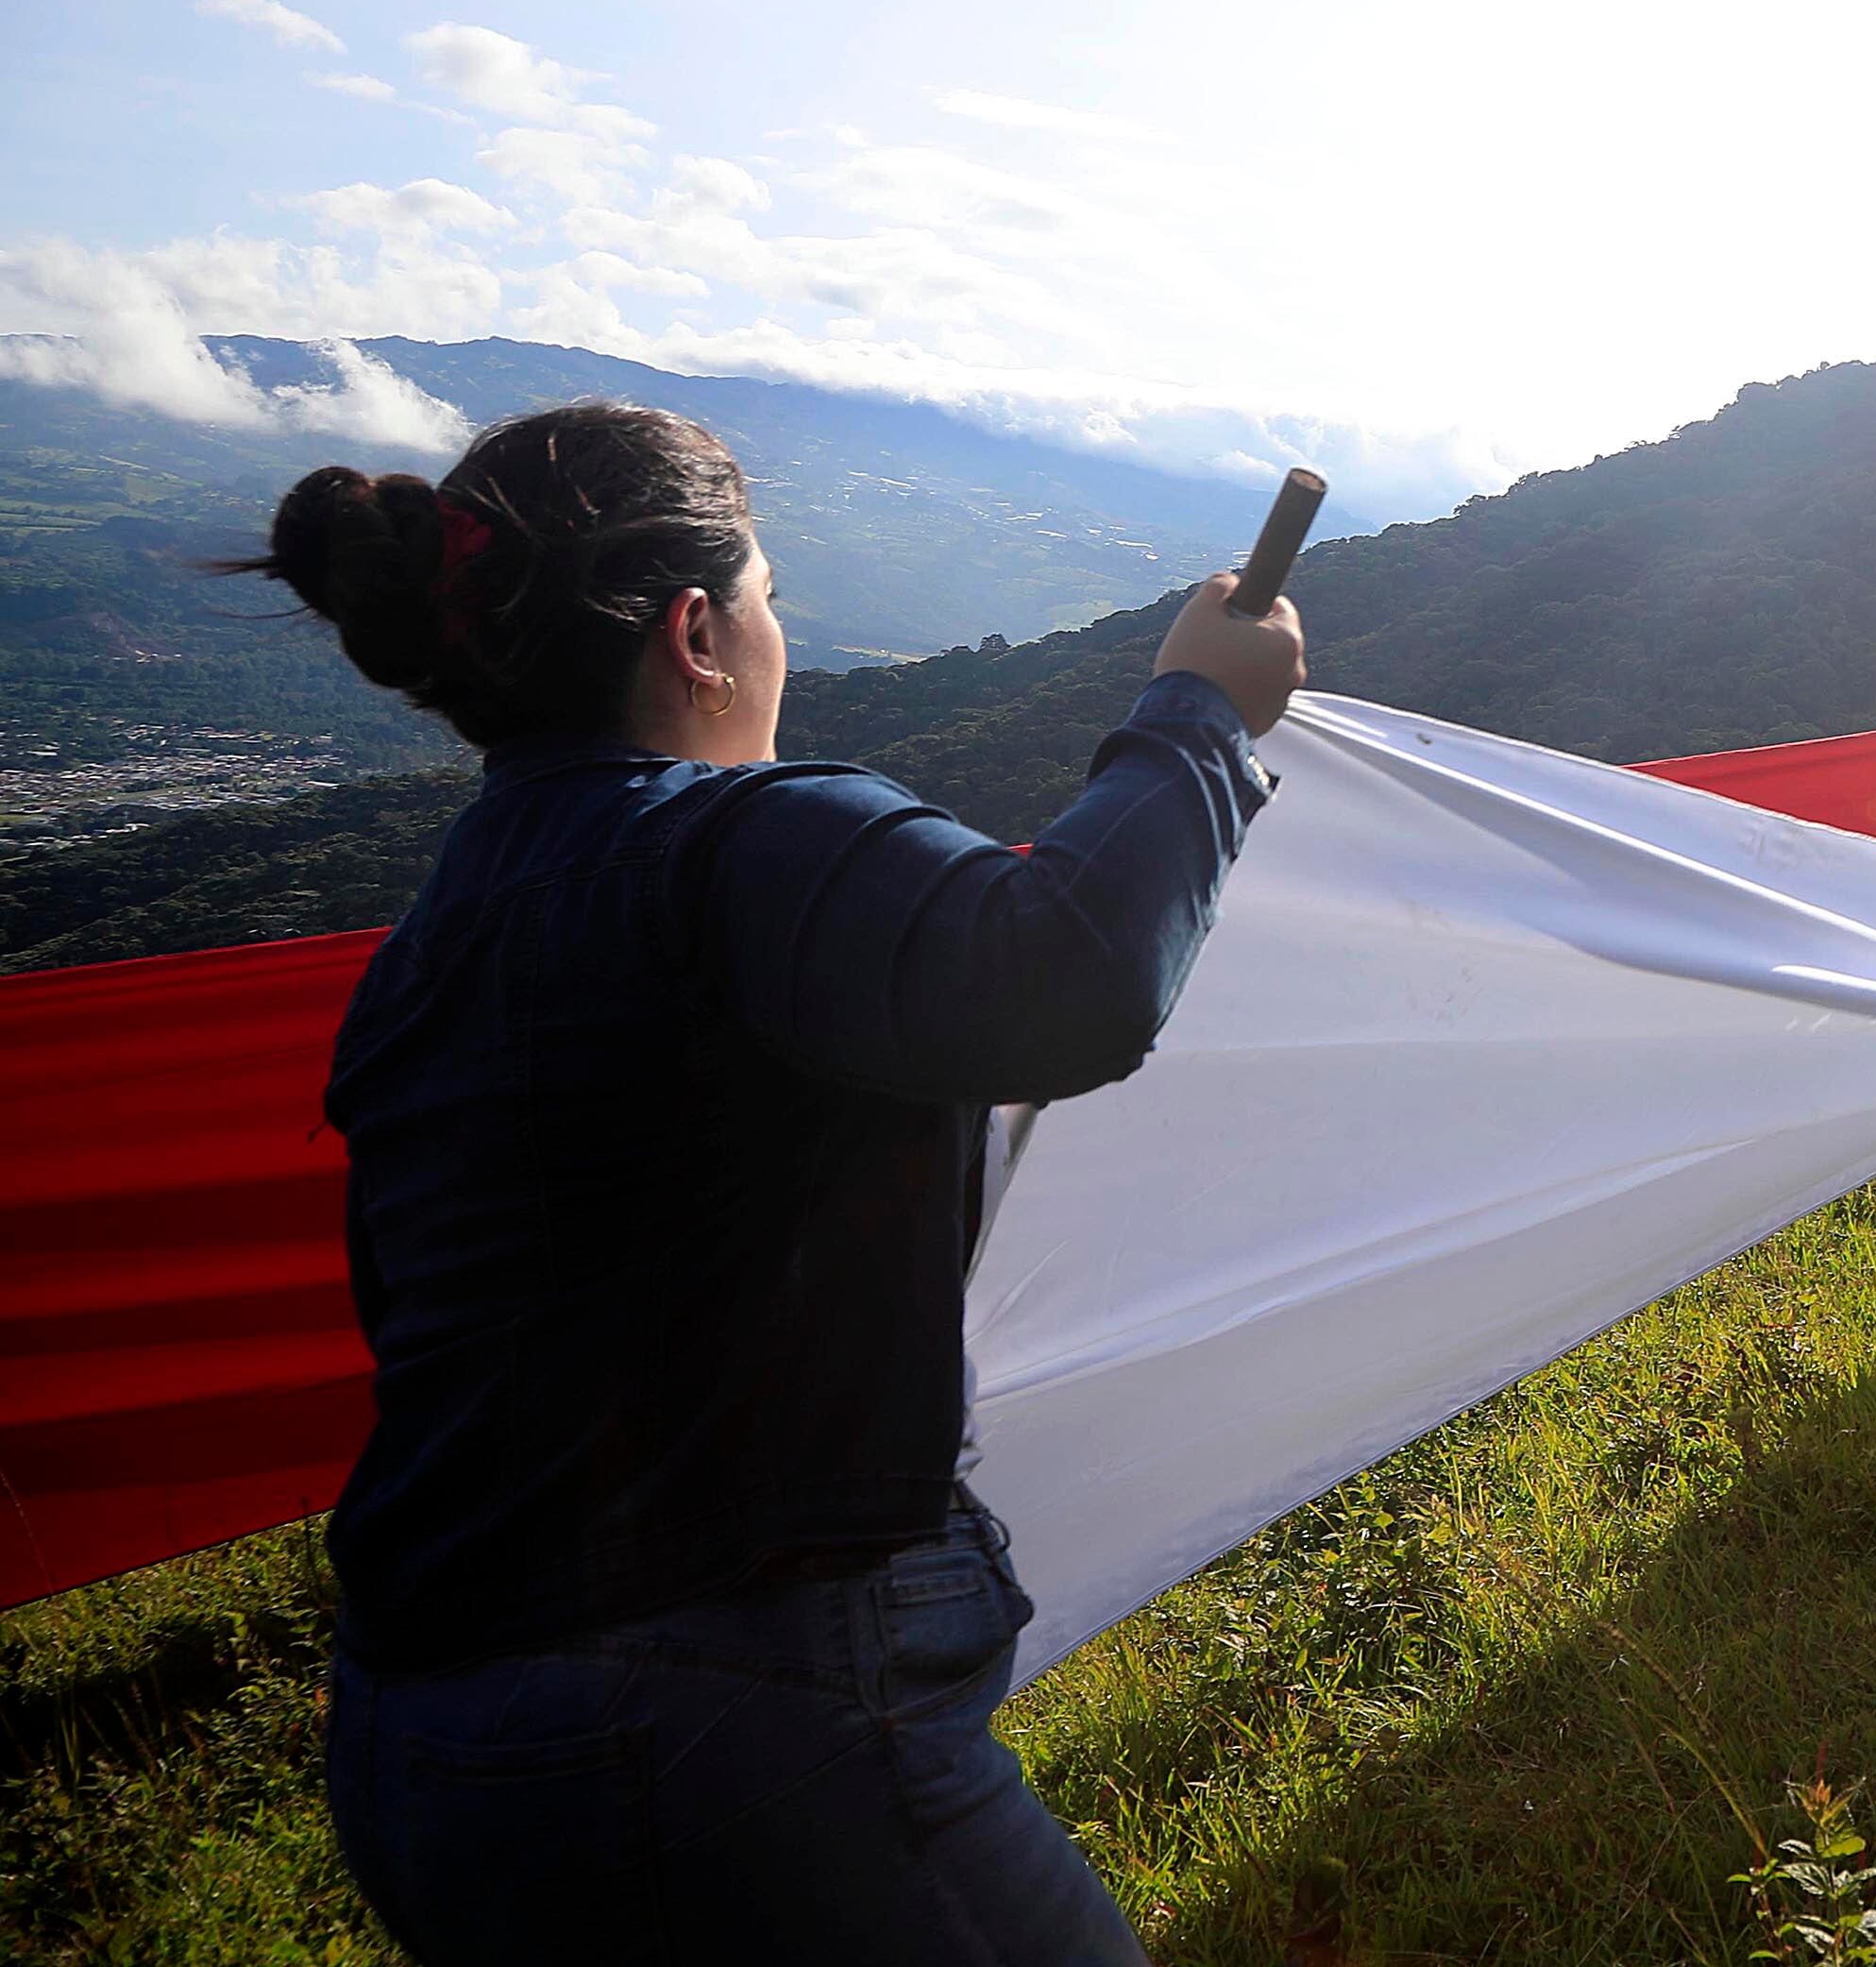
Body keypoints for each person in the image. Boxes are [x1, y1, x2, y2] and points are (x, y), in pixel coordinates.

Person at [243, 402, 1304, 1967]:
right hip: (722, 1711)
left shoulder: (436, 944)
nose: (777, 635)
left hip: (424, 1741)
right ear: (696, 631)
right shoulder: (741, 841)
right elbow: (1063, 978)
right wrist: (1197, 715)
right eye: (770, 599)